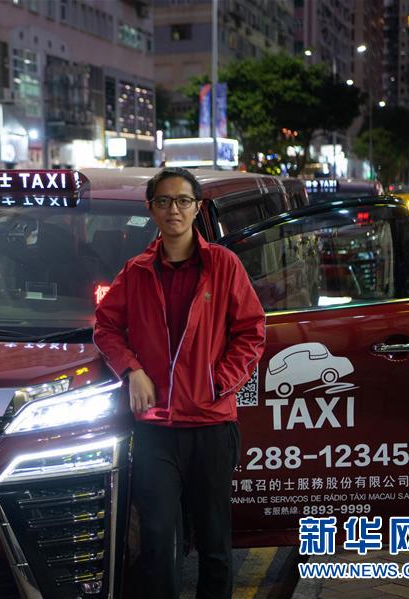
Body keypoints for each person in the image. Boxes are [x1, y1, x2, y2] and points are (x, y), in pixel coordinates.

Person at [93, 167, 266, 599]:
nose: (174, 209)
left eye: (183, 200)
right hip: (156, 430)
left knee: (214, 543)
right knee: (156, 540)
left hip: (211, 426)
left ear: (197, 207)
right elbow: (106, 327)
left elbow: (252, 332)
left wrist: (218, 381)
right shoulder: (136, 271)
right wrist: (131, 370)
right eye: (164, 201)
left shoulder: (222, 265)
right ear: (151, 208)